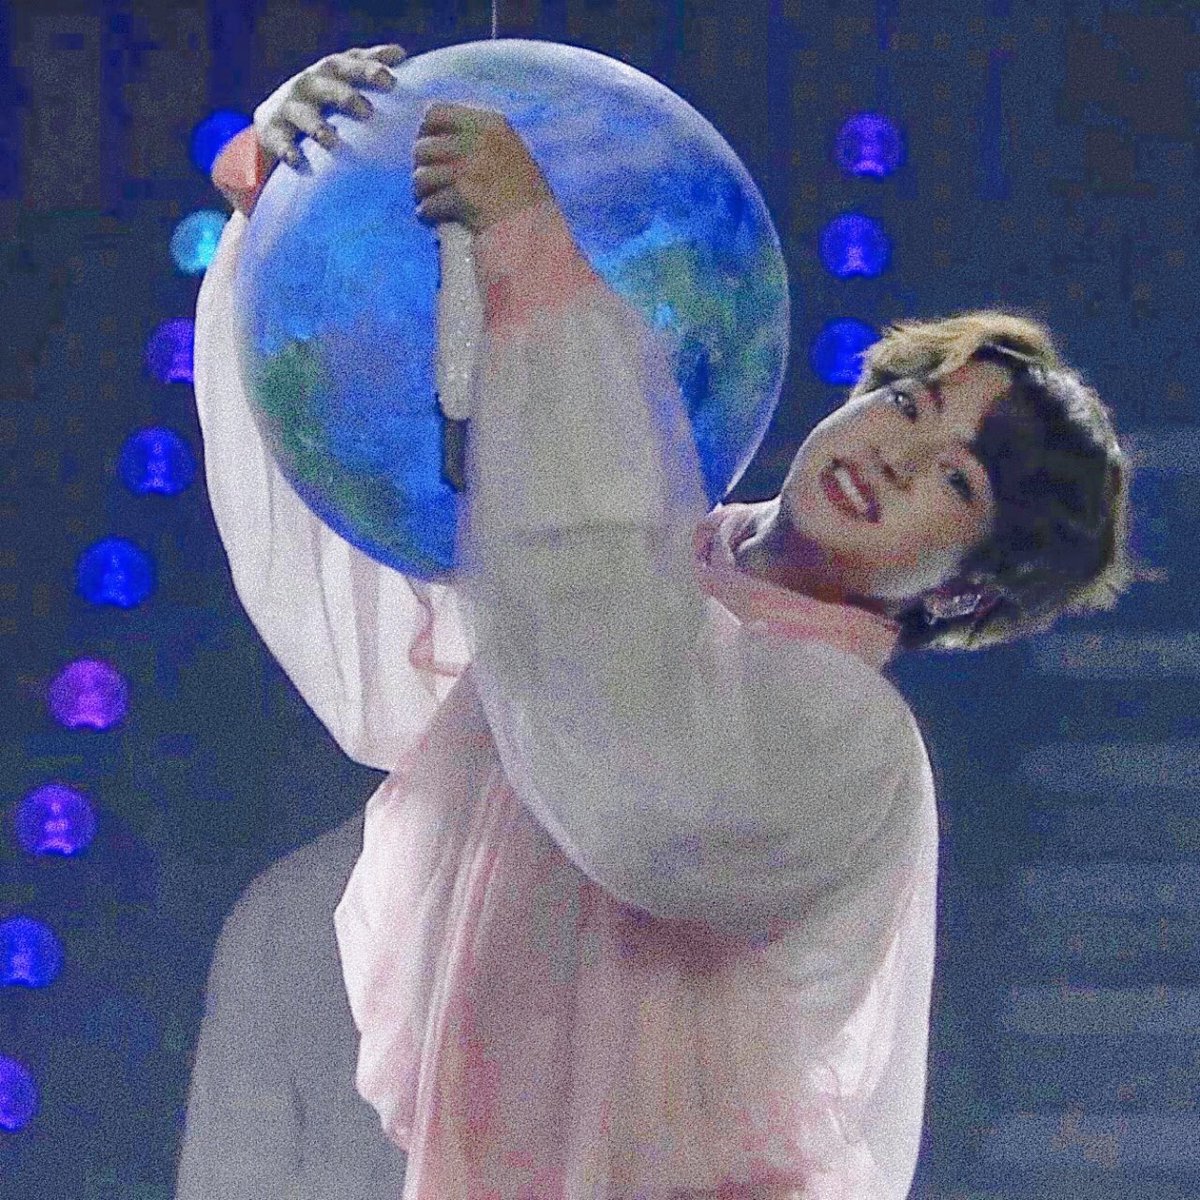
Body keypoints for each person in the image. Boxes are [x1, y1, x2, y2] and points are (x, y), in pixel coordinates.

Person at [182, 44, 1144, 1200]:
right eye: (908, 401)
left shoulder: (844, 739)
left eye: (956, 481)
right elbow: (404, 603)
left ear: (964, 593)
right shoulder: (613, 558)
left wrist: (537, 260)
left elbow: (619, 737)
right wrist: (298, 202)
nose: (896, 454)